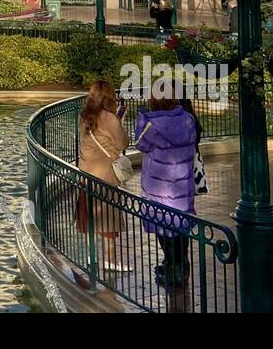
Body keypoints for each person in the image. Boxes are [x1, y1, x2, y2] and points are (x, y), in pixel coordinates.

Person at [134, 92, 199, 288]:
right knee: (181, 224)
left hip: (159, 184)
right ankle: (182, 264)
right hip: (181, 182)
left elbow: (141, 145)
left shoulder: (153, 126)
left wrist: (140, 121)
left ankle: (172, 266)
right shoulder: (188, 119)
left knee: (163, 225)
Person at [75, 81, 132, 272]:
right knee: (107, 220)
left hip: (86, 172)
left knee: (91, 217)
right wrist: (120, 122)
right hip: (105, 174)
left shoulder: (84, 116)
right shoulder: (110, 118)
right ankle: (110, 261)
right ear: (109, 97)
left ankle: (93, 257)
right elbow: (123, 144)